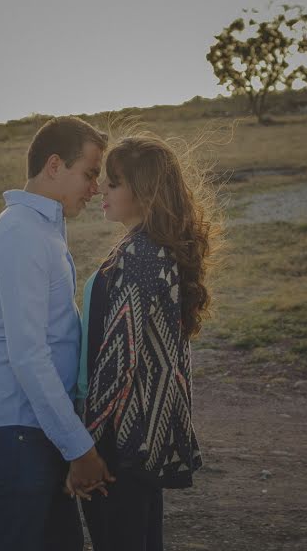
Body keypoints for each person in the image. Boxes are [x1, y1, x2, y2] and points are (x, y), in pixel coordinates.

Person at [0, 116, 115, 551]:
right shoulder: (21, 233)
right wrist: (80, 448)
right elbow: (29, 355)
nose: (95, 187)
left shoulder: (41, 230)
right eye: (89, 173)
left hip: (34, 434)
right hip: (16, 436)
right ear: (54, 165)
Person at [72, 135, 221, 550]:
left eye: (114, 183)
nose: (102, 189)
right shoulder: (149, 248)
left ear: (145, 192)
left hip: (119, 445)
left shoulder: (139, 255)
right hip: (139, 441)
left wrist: (85, 448)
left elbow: (119, 364)